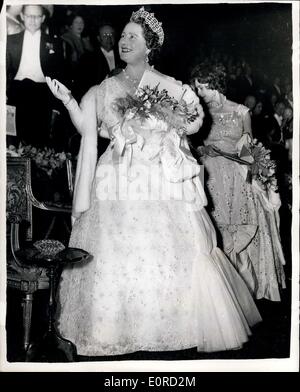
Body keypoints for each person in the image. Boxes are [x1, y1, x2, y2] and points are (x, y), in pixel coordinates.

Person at [46, 7, 261, 357]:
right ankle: (115, 327)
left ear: (149, 47)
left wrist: (168, 122)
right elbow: (87, 125)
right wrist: (68, 100)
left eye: (133, 37)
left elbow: (194, 121)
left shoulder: (169, 85)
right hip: (116, 176)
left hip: (159, 177)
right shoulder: (106, 86)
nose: (123, 41)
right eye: (123, 36)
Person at [190, 65, 286, 302]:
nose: (200, 93)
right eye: (198, 88)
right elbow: (191, 145)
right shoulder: (199, 113)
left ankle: (246, 286)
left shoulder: (241, 111)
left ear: (217, 84)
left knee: (240, 226)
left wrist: (256, 179)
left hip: (235, 177)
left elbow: (248, 149)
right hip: (209, 177)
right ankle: (223, 289)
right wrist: (202, 148)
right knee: (216, 229)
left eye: (204, 87)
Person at [6, 4, 65, 147]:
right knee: (14, 140)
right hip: (16, 93)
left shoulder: (55, 42)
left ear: (43, 18)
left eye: (37, 16)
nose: (32, 20)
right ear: (22, 17)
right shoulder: (10, 41)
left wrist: (57, 104)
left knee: (39, 140)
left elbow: (59, 75)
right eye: (28, 16)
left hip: (42, 94)